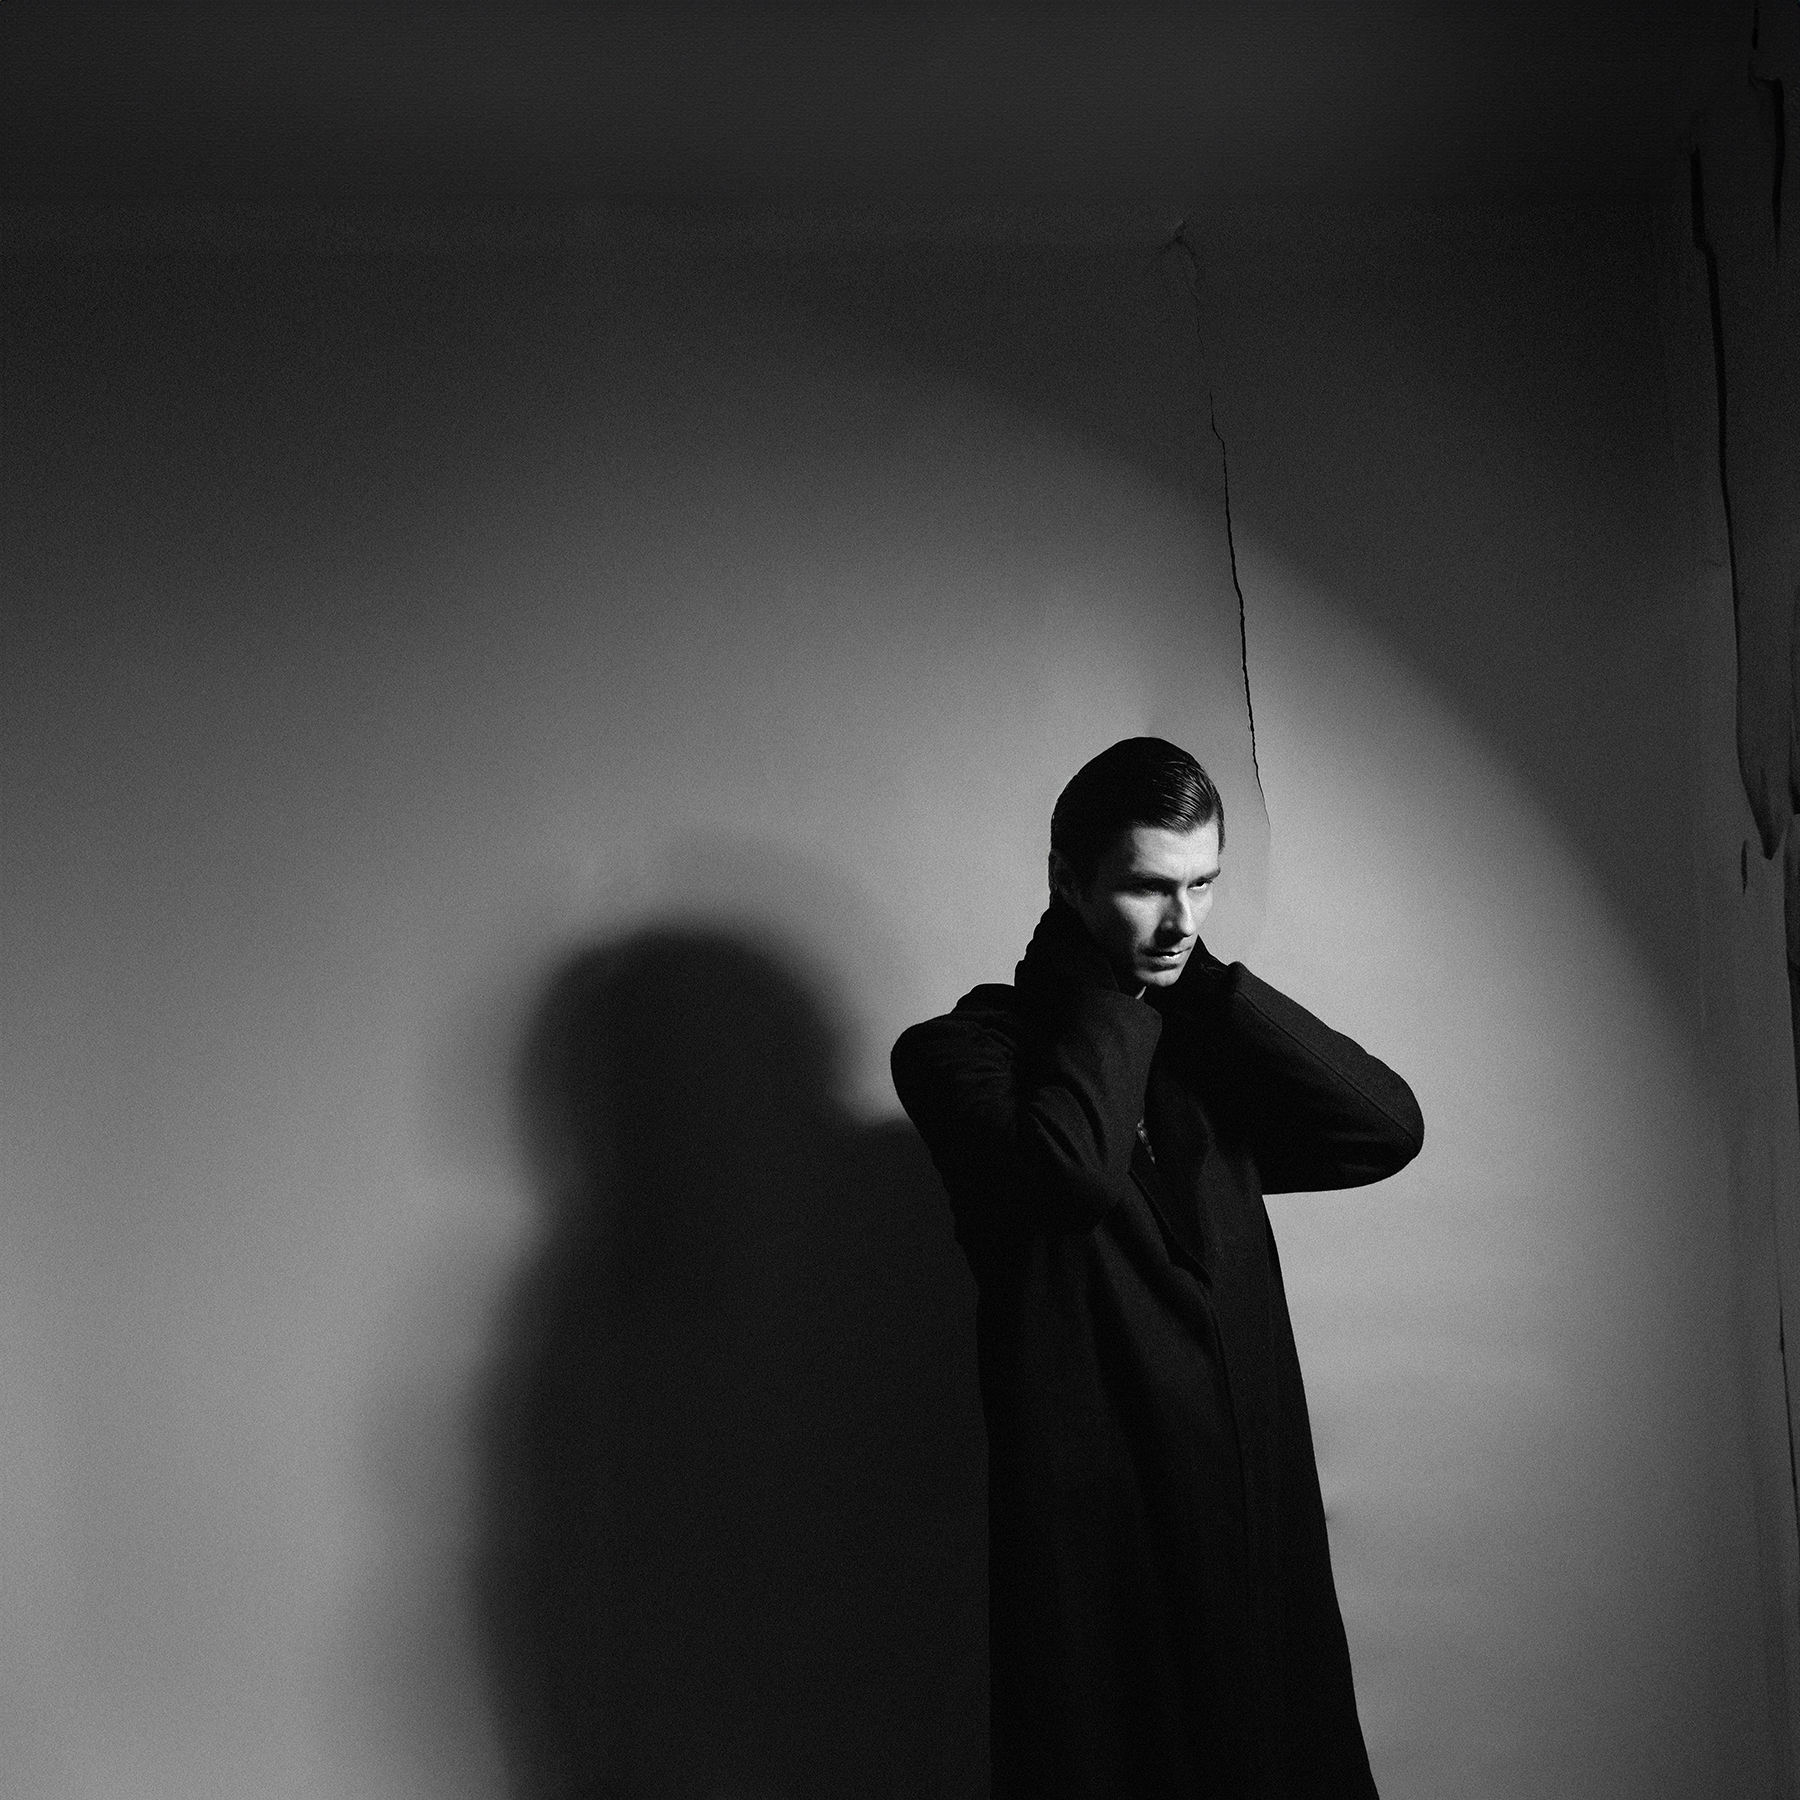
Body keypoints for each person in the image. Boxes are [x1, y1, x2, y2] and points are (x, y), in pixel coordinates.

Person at [891, 736, 1423, 1800]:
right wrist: (1098, 988)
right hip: (1109, 1560)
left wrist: (1201, 986)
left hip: (1253, 1546)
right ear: (1067, 881)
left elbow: (1382, 1129)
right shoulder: (960, 1056)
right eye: (1148, 887)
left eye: (1203, 886)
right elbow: (1070, 1176)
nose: (1182, 921)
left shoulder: (1197, 1047)